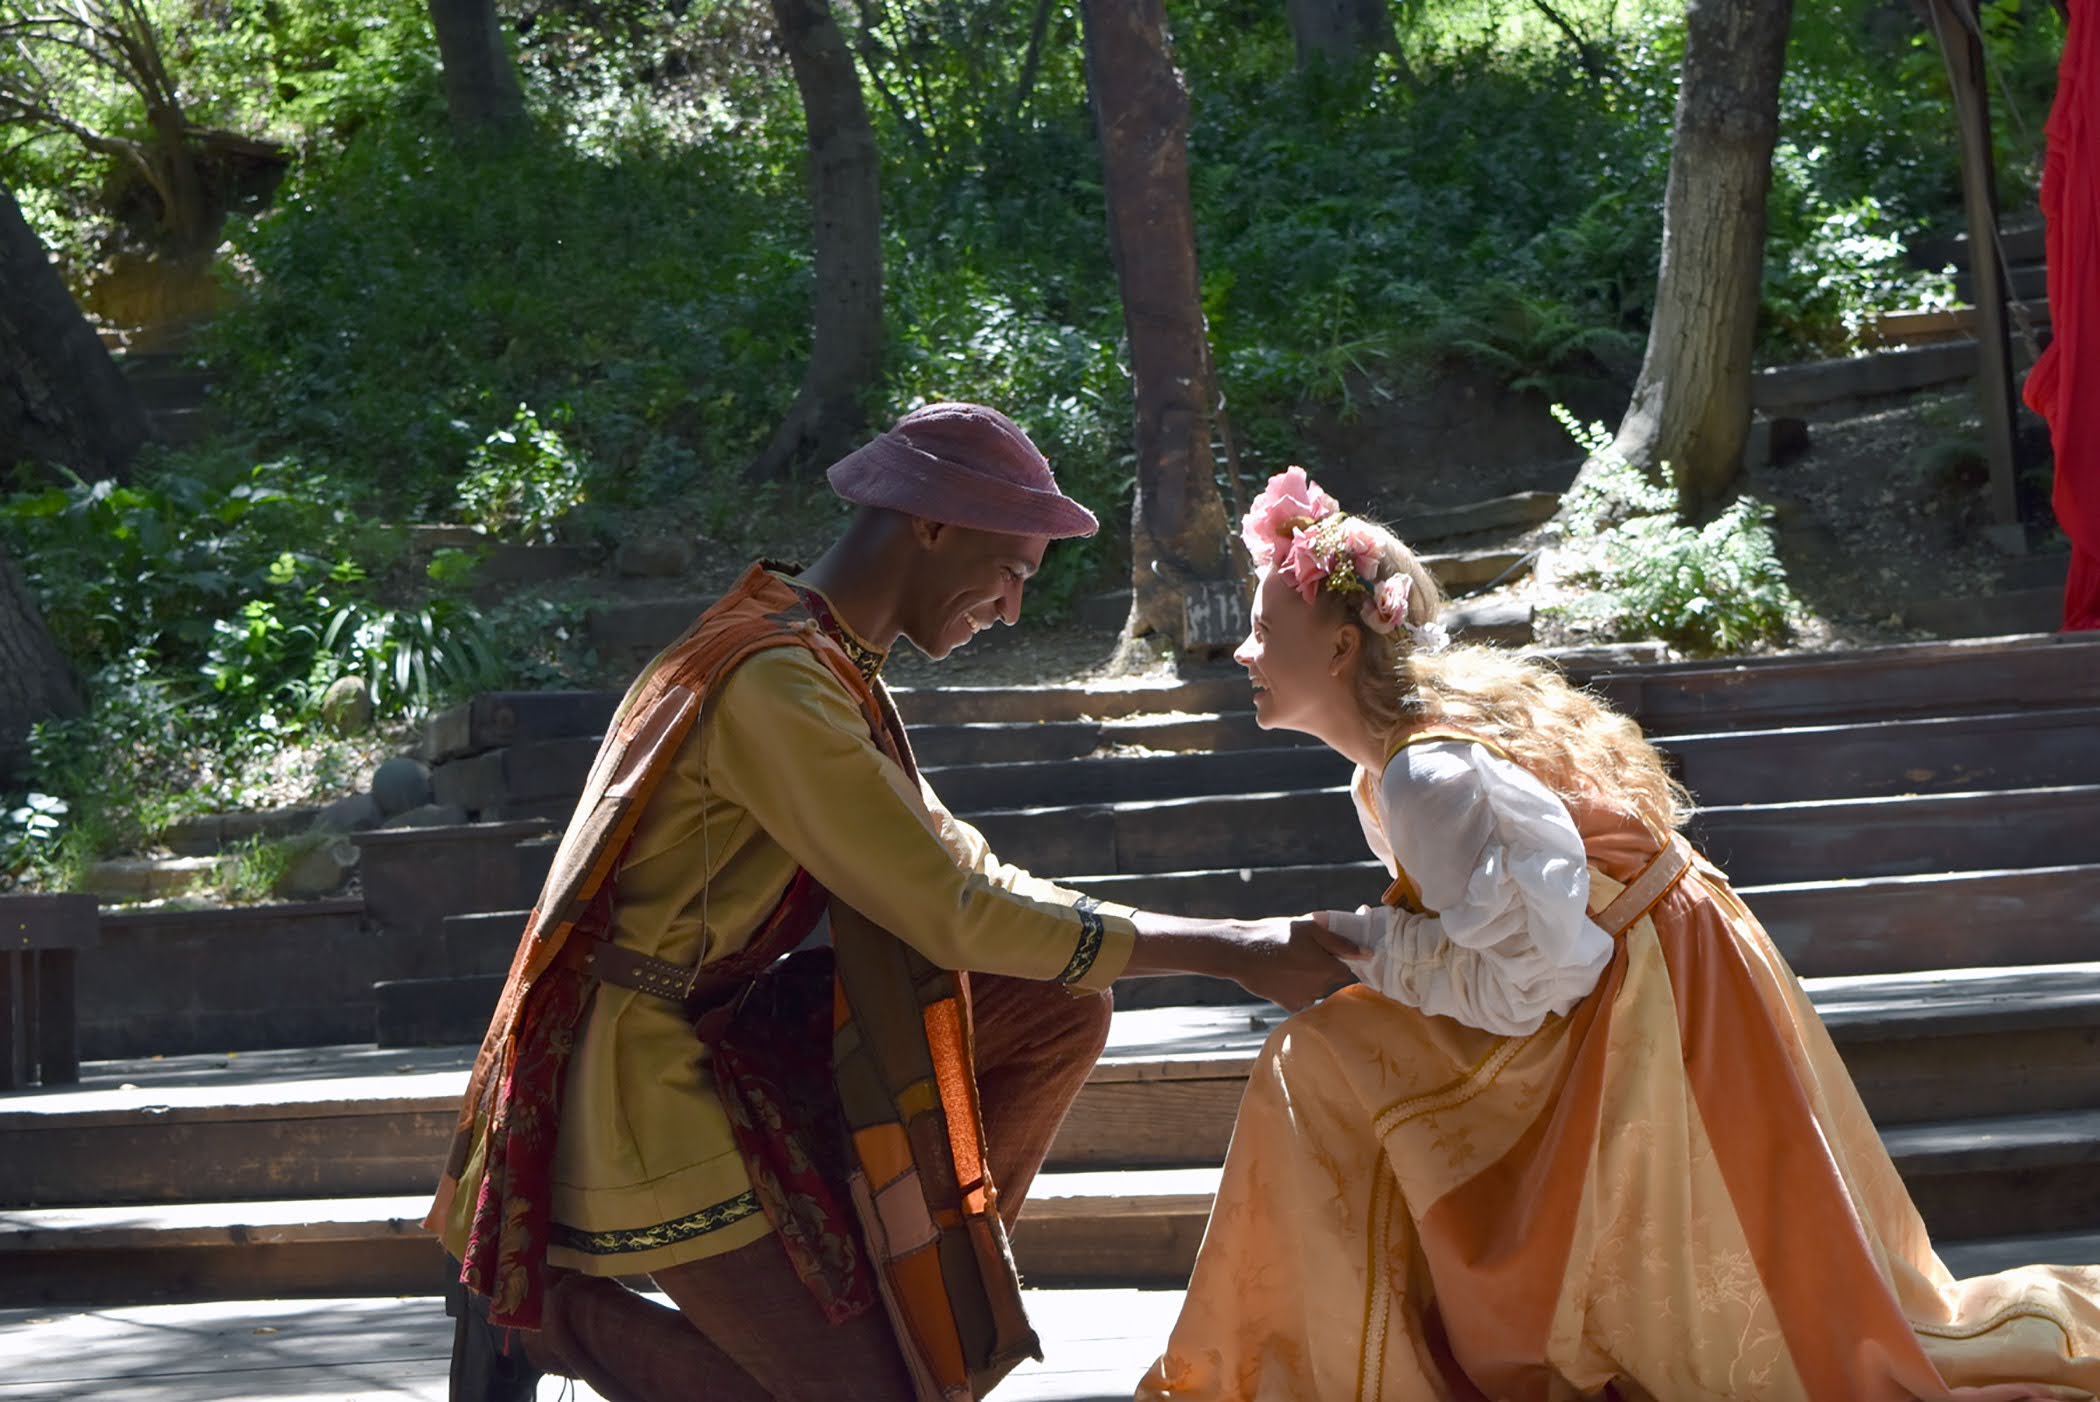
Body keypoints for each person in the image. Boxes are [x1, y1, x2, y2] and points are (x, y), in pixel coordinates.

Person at [427, 404, 1346, 1402]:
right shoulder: (776, 682)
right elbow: (946, 908)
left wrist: (1214, 941)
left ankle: (914, 1279)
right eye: (1012, 572)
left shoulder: (819, 659)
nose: (1010, 609)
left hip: (727, 1034)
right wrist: (1235, 945)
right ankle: (536, 1317)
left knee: (1056, 1005)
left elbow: (964, 870)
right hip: (637, 1080)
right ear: (932, 523)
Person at [1137, 466, 2100, 1401]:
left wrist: (1362, 947)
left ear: (1342, 648)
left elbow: (1538, 976)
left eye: (1265, 631)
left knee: (1323, 1058)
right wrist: (1369, 955)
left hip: (1652, 990)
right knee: (1329, 1052)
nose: (1246, 654)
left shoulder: (1428, 776)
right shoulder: (1386, 771)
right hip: (1630, 968)